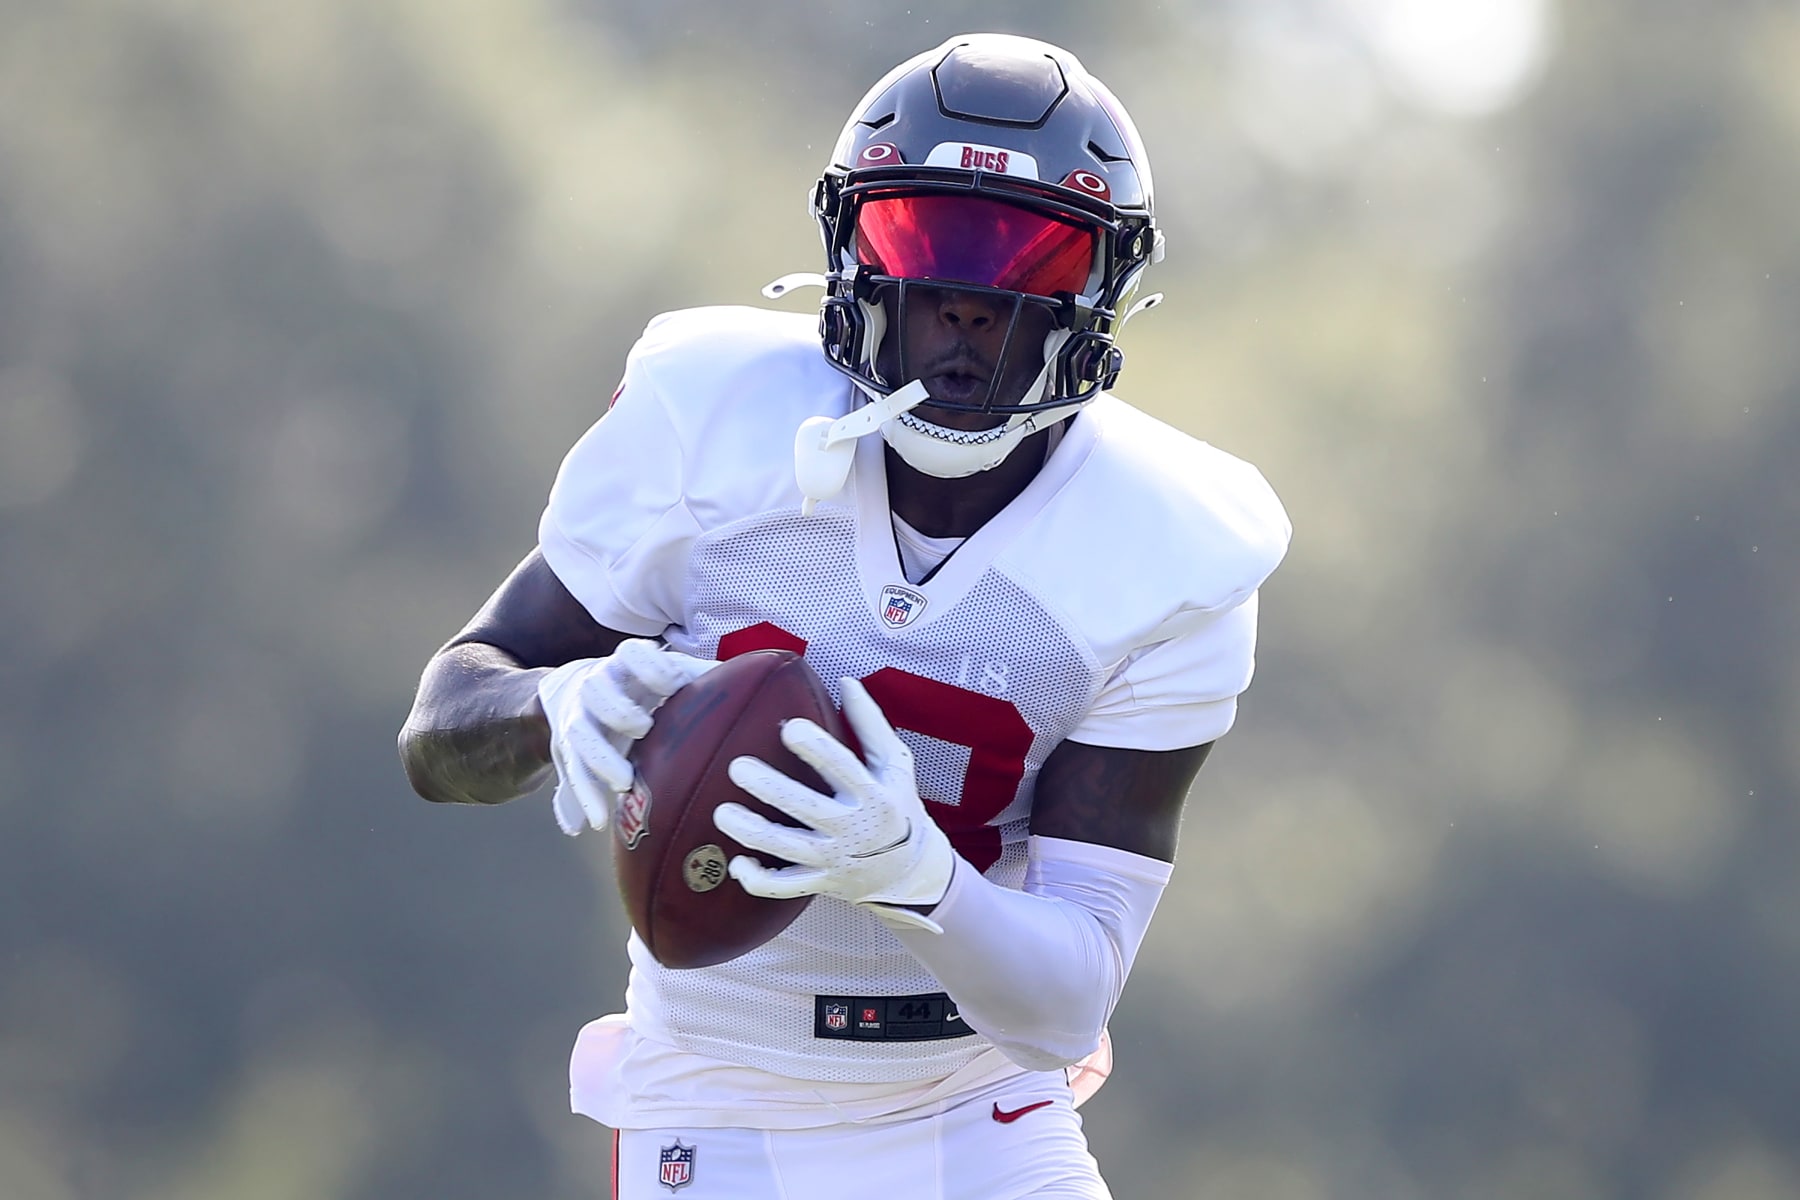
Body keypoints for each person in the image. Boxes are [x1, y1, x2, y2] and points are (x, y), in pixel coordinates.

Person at [399, 32, 1290, 1200]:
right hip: (713, 1094)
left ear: (1102, 288)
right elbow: (439, 732)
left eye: (1030, 256)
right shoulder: (710, 420)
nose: (969, 304)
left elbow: (1067, 1000)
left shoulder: (1171, 546)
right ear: (848, 248)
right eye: (923, 242)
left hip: (974, 1107)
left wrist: (915, 873)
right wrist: (551, 705)